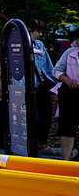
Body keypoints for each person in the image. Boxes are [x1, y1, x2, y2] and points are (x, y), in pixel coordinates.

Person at [27, 20, 59, 155]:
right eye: (37, 32)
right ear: (29, 30)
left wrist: (54, 82)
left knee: (46, 114)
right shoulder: (19, 44)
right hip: (27, 84)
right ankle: (28, 142)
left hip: (41, 83)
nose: (39, 35)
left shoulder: (39, 44)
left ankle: (42, 143)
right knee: (28, 114)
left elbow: (48, 65)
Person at [51, 31, 79, 162]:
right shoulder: (69, 53)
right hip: (70, 92)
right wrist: (67, 80)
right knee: (67, 126)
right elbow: (56, 70)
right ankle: (66, 159)